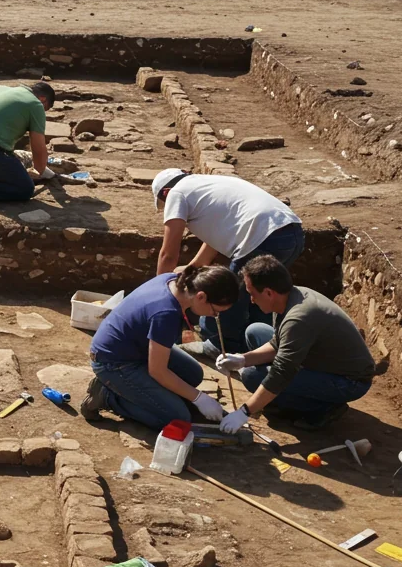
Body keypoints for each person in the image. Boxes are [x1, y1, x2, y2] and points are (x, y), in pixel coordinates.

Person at [151, 168, 304, 358]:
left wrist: (158, 292)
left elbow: (168, 255)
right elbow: (214, 238)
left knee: (225, 293)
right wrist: (193, 267)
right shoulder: (209, 185)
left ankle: (219, 345)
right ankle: (259, 347)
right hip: (291, 233)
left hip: (260, 234)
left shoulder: (176, 192)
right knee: (260, 296)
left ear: (165, 193)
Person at [217, 255, 375, 432]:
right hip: (321, 361)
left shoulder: (298, 318)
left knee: (252, 377)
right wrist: (242, 359)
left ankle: (324, 408)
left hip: (349, 382)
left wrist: (244, 412)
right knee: (255, 331)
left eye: (252, 294)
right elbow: (277, 344)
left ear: (269, 292)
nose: (251, 300)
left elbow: (282, 372)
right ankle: (287, 397)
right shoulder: (288, 297)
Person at [78, 266, 239, 430]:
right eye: (215, 311)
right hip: (113, 363)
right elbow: (158, 371)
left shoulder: (175, 280)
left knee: (193, 374)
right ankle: (108, 397)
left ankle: (155, 396)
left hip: (136, 347)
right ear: (201, 296)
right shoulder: (166, 313)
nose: (214, 316)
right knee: (177, 418)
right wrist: (199, 398)